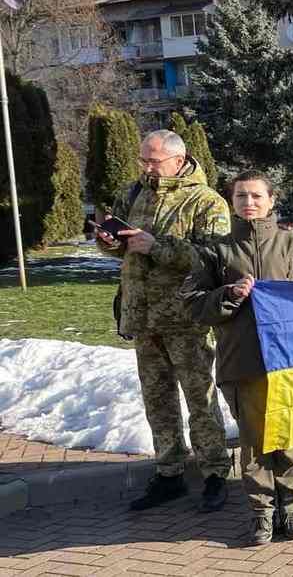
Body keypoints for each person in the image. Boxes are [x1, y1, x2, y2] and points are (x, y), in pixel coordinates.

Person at [181, 171, 293, 544]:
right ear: (232, 202)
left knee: (290, 440)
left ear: (271, 201)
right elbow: (195, 306)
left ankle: (291, 509)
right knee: (254, 442)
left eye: (256, 196)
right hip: (244, 361)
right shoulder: (217, 252)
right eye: (241, 196)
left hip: (290, 364)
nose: (249, 203)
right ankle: (262, 513)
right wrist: (228, 294)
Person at [96, 129, 232, 512]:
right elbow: (121, 247)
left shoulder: (205, 201)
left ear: (178, 159)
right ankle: (169, 472)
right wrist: (109, 242)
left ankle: (215, 473)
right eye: (143, 159)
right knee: (157, 399)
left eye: (153, 160)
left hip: (186, 318)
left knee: (200, 398)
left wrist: (159, 247)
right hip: (143, 315)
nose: (146, 167)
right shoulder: (134, 193)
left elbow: (213, 257)